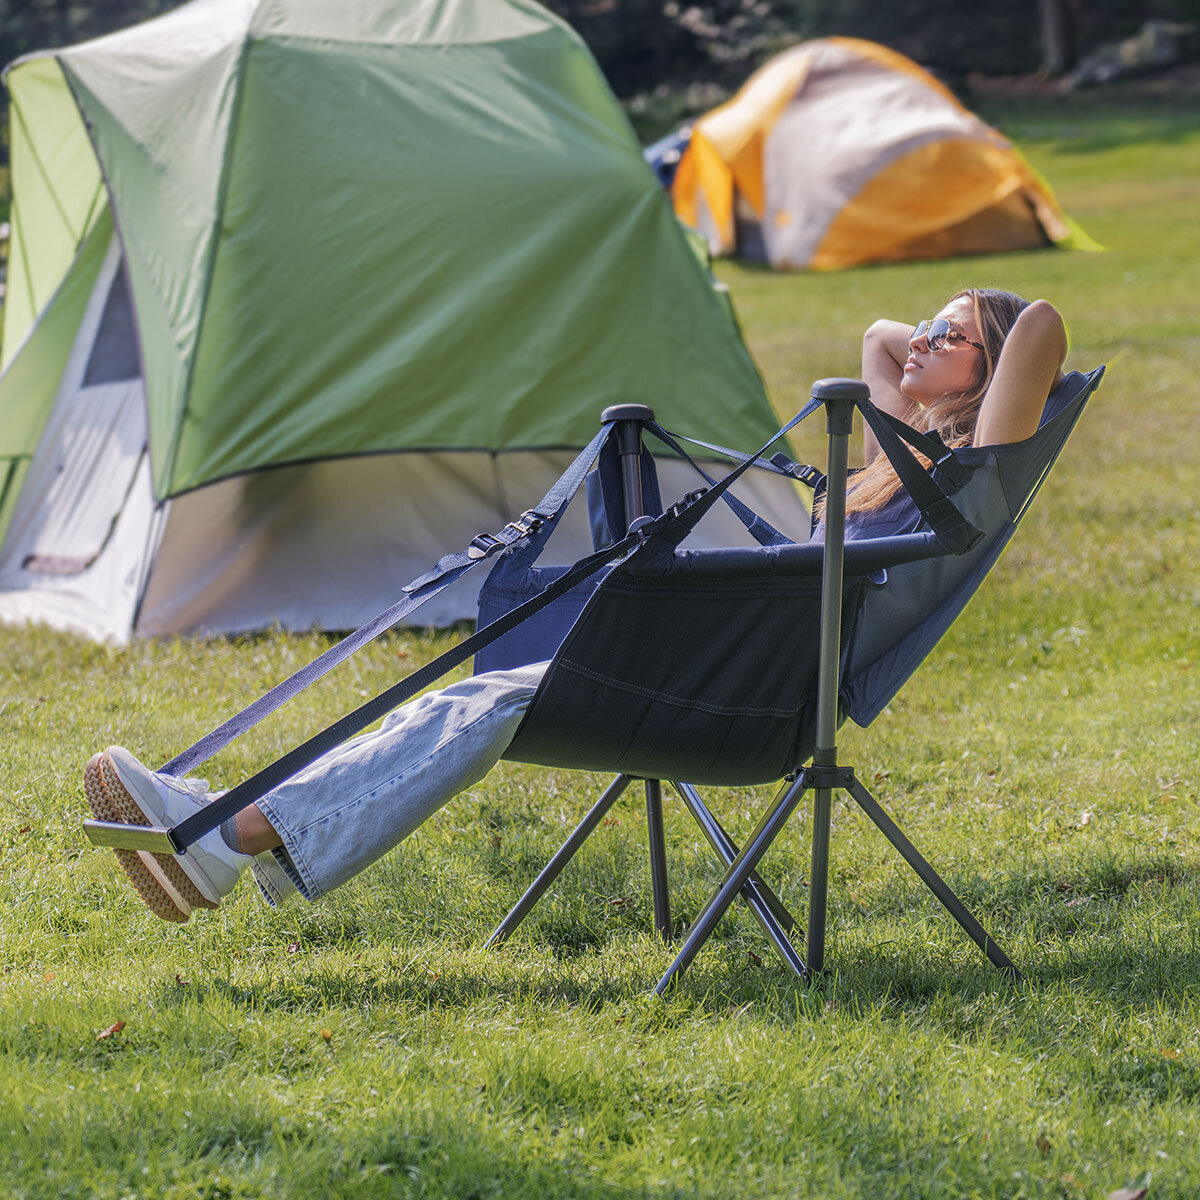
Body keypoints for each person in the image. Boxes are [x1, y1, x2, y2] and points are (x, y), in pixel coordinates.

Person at [84, 288, 1068, 923]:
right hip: (739, 656)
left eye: (954, 338)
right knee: (477, 697)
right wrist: (941, 339)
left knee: (490, 701)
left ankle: (231, 838)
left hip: (760, 693)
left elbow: (1042, 331)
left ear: (991, 380)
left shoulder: (974, 468)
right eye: (932, 325)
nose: (922, 340)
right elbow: (879, 335)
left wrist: (989, 323)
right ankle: (229, 832)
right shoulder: (890, 463)